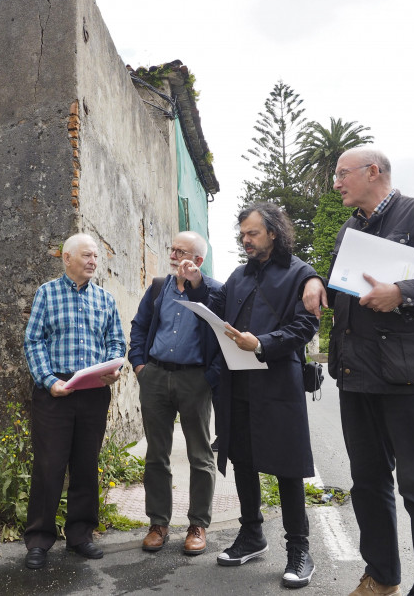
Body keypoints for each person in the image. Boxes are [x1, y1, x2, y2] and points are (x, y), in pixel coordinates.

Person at [302, 147, 414, 596]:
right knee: (368, 485)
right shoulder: (351, 226)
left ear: (372, 172)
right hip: (356, 378)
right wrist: (316, 280)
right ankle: (381, 577)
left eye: (342, 174)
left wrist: (402, 291)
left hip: (407, 380)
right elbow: (341, 277)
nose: (336, 182)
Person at [179, 202, 319, 590]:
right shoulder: (238, 276)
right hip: (238, 382)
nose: (245, 241)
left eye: (252, 234)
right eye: (242, 235)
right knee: (242, 459)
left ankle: (299, 550)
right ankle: (252, 535)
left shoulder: (299, 274)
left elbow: (305, 325)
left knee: (288, 468)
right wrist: (196, 284)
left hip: (279, 383)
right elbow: (216, 309)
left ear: (273, 232)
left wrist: (263, 343)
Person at [22, 233, 126, 570]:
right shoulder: (47, 294)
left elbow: (115, 342)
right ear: (67, 259)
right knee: (49, 466)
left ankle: (80, 536)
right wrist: (49, 381)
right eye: (86, 256)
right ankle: (38, 540)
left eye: (96, 256)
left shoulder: (105, 299)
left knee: (85, 465)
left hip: (93, 393)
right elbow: (33, 341)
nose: (93, 261)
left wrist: (112, 368)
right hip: (55, 394)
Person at [128, 231, 222, 556]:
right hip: (155, 376)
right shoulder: (158, 287)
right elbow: (139, 326)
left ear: (197, 260)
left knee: (200, 454)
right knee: (156, 454)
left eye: (180, 250)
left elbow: (224, 333)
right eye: (172, 248)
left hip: (194, 380)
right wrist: (140, 365)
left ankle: (198, 525)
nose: (172, 254)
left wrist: (210, 378)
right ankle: (158, 523)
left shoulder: (213, 291)